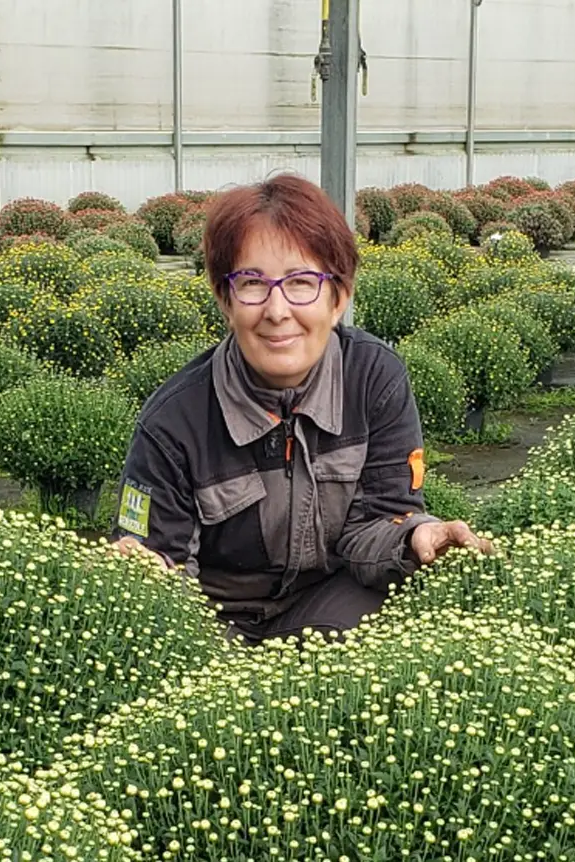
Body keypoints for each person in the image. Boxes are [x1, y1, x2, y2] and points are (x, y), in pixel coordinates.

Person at [111, 173, 493, 644]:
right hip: (214, 622)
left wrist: (414, 536)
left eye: (301, 283)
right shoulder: (174, 421)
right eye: (252, 283)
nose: (277, 310)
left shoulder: (373, 378)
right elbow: (163, 574)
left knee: (408, 615)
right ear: (224, 300)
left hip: (330, 603)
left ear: (339, 298)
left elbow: (381, 518)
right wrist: (145, 572)